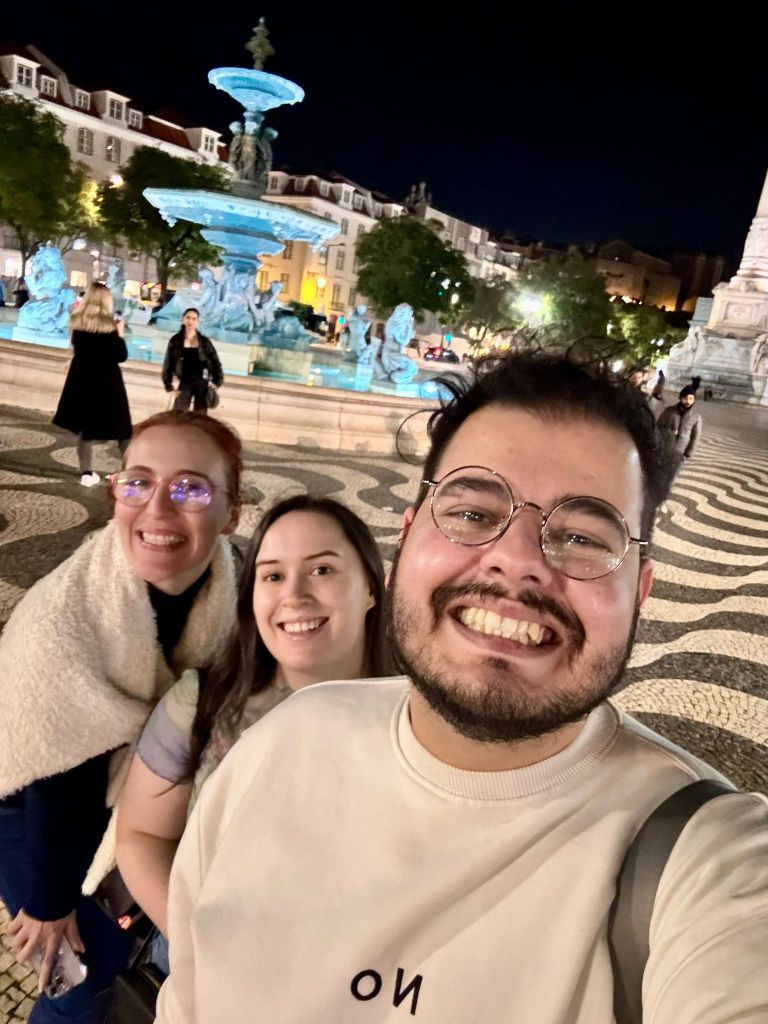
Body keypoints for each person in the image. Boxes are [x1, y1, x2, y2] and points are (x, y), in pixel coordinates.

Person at [155, 352, 768, 1024]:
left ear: (640, 592)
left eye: (583, 536)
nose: (519, 561)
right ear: (408, 532)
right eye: (474, 514)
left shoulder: (711, 864)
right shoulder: (279, 745)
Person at [0, 409, 241, 1024]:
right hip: (36, 819)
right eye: (137, 482)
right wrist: (47, 901)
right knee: (78, 986)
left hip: (148, 815)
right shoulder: (62, 621)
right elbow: (54, 778)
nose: (157, 509)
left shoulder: (238, 585)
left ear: (231, 513)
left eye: (190, 487)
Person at [116, 494, 392, 950]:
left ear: (369, 588)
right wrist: (200, 948)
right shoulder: (202, 703)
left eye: (322, 570)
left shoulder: (421, 717)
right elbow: (141, 835)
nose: (294, 595)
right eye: (273, 575)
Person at [52, 282, 132, 487]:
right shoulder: (110, 326)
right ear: (106, 300)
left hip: (82, 380)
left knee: (86, 428)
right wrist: (120, 334)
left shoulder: (77, 321)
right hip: (108, 382)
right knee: (123, 429)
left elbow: (76, 349)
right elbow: (120, 356)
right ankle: (129, 472)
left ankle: (86, 472)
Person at [161, 307, 223, 413]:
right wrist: (169, 386)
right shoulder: (175, 341)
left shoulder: (204, 342)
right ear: (183, 319)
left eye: (194, 319)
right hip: (185, 382)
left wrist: (216, 382)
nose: (190, 321)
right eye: (188, 318)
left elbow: (215, 362)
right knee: (178, 416)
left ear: (197, 322)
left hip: (202, 384)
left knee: (199, 419)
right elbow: (168, 363)